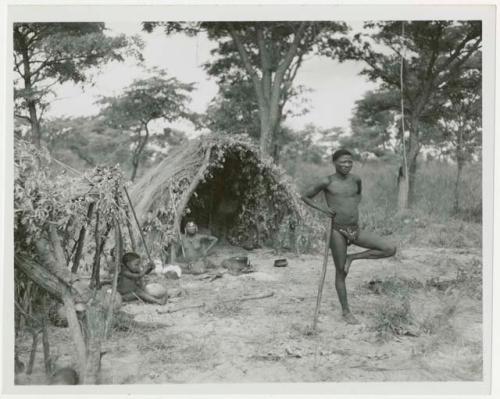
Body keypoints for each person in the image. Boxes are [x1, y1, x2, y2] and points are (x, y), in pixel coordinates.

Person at [301, 149, 396, 324]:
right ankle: (346, 312)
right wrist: (323, 209)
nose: (346, 165)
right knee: (341, 271)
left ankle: (352, 257)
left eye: (349, 162)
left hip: (354, 229)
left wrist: (351, 213)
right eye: (342, 162)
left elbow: (357, 196)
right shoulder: (327, 181)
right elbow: (305, 196)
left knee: (389, 248)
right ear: (334, 163)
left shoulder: (356, 180)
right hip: (336, 230)